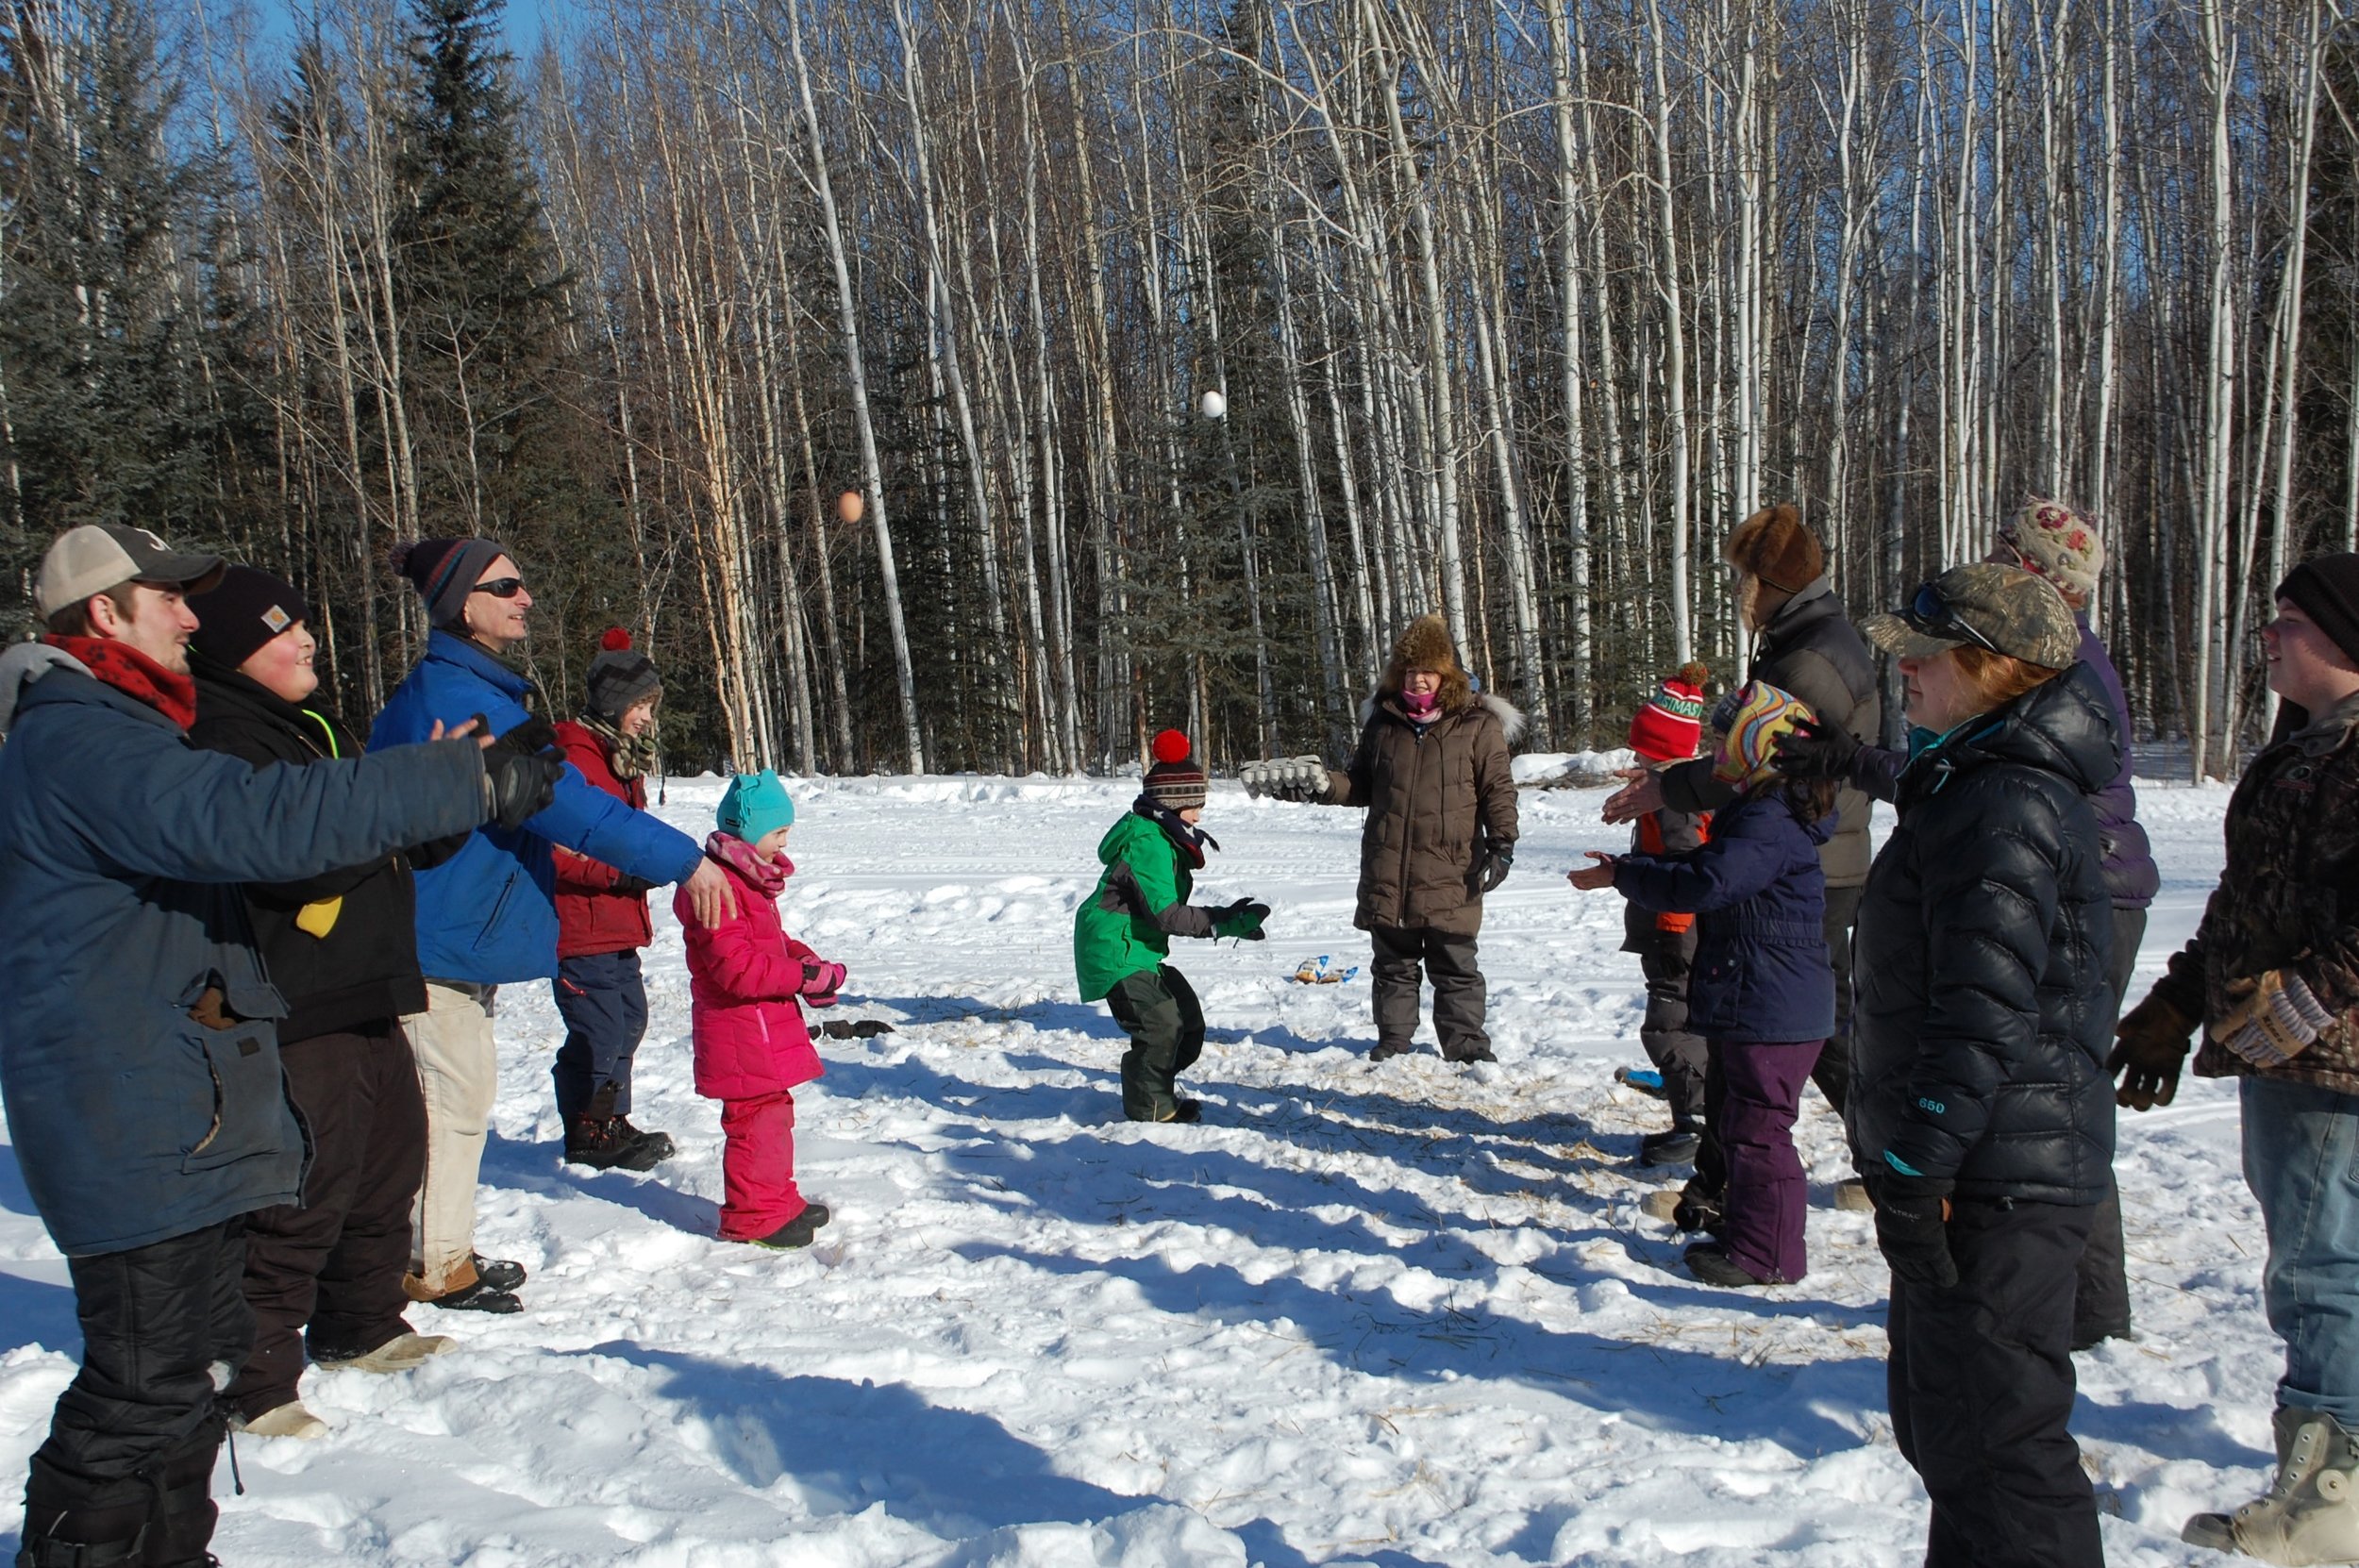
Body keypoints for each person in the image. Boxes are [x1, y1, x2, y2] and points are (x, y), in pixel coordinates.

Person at [0, 525, 557, 1568]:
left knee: (187, 1375)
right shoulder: (82, 734)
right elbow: (254, 822)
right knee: (139, 1387)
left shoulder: (129, 729)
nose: (183, 615)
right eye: (163, 597)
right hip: (127, 1116)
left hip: (176, 1105)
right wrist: (454, 783)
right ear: (103, 616)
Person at [1780, 496, 2155, 1348]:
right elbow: (1952, 772)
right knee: (2042, 1095)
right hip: (2048, 880)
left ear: (2033, 577)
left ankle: (2081, 1305)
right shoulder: (2029, 670)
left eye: (2004, 554)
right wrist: (1849, 759)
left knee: (2046, 1102)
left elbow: (2009, 784)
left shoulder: (2051, 664)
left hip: (2061, 886)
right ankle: (2075, 1300)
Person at [370, 537, 738, 1314]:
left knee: (444, 1098)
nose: (525, 598)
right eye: (506, 586)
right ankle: (434, 1265)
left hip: (448, 937)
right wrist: (684, 861)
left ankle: (431, 1250)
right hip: (430, 941)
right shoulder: (459, 701)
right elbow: (574, 809)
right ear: (461, 605)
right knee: (452, 1100)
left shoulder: (476, 692)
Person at [1849, 562, 2117, 1568]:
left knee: (2002, 1452)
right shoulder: (1967, 779)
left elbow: (1982, 1009)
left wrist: (1921, 1164)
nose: (1901, 671)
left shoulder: (2006, 801)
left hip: (1997, 1176)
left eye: (1921, 654)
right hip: (1977, 1162)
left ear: (1992, 669)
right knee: (1950, 1437)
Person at [2114, 554, 2359, 1562]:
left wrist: (2311, 998)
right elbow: (2244, 905)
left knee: (2318, 1267)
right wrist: (2177, 1003)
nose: (2269, 634)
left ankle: (2329, 1500)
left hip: (2328, 1063)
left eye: (2290, 620)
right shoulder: (2303, 746)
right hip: (2292, 1053)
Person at [185, 568, 462, 1443]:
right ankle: (254, 1376)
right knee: (300, 1191)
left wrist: (441, 792)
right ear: (233, 650)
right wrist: (396, 802)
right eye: (282, 631)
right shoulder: (225, 735)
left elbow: (390, 840)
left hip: (367, 986)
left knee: (388, 1169)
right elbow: (297, 854)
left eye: (305, 623)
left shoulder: (312, 725)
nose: (306, 640)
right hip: (294, 1000)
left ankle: (360, 1323)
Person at [1604, 506, 1879, 1202]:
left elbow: (1752, 764)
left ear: (1771, 581)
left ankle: (1738, 1186)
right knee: (1805, 1022)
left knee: (1767, 1024)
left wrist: (1669, 788)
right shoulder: (1805, 639)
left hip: (1797, 867)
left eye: (1742, 578)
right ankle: (1879, 1167)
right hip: (1811, 860)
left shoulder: (1809, 659)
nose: (1736, 593)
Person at [1572, 682, 1836, 1288]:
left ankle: (1768, 1255)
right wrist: (1629, 871)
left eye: (1724, 740)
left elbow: (1706, 883)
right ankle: (1745, 1232)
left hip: (1773, 1004)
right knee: (1741, 1125)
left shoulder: (1769, 819)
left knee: (1758, 1132)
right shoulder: (1764, 808)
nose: (1714, 752)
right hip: (1759, 997)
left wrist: (1626, 876)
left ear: (1757, 748)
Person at [1260, 614, 1518, 1063]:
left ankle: (1467, 1048)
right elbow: (1361, 783)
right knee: (1393, 964)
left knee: (1454, 964)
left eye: (1428, 671)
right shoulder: (1383, 721)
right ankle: (1394, 1041)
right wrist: (1322, 787)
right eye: (1409, 670)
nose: (1417, 680)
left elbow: (1498, 789)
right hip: (1388, 865)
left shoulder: (1478, 725)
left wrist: (1502, 844)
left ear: (1447, 675)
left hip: (1450, 867)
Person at [678, 771, 845, 1246]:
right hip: (738, 1030)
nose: (784, 843)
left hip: (759, 1027)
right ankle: (752, 1217)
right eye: (777, 833)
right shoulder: (719, 889)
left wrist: (802, 959)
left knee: (773, 1115)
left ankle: (777, 1200)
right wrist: (801, 978)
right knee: (753, 1122)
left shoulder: (748, 881)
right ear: (746, 831)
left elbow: (768, 944)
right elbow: (738, 969)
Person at [1074, 730, 1269, 1122]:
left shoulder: (1163, 836)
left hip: (1139, 947)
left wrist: (1223, 918)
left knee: (1188, 1022)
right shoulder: (1150, 843)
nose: (1198, 815)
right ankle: (1151, 1108)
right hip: (1115, 948)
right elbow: (1167, 915)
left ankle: (1152, 1083)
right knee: (1161, 1024)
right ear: (1171, 804)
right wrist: (1221, 923)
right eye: (1193, 806)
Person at [551, 628, 674, 1172]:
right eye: (640, 704)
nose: (647, 716)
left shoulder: (620, 758)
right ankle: (589, 1129)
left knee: (627, 1020)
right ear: (612, 704)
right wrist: (624, 875)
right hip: (581, 924)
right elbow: (557, 849)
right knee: (599, 1029)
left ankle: (609, 1120)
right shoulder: (573, 759)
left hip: (617, 922)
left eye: (651, 704)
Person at [1615, 662, 1715, 1168]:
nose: (1634, 755)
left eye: (1641, 749)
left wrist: (1673, 928)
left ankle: (1696, 1124)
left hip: (1676, 933)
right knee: (1684, 1023)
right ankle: (1694, 1116)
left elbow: (1685, 865)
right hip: (1672, 928)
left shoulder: (1672, 801)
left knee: (1668, 1027)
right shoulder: (1676, 791)